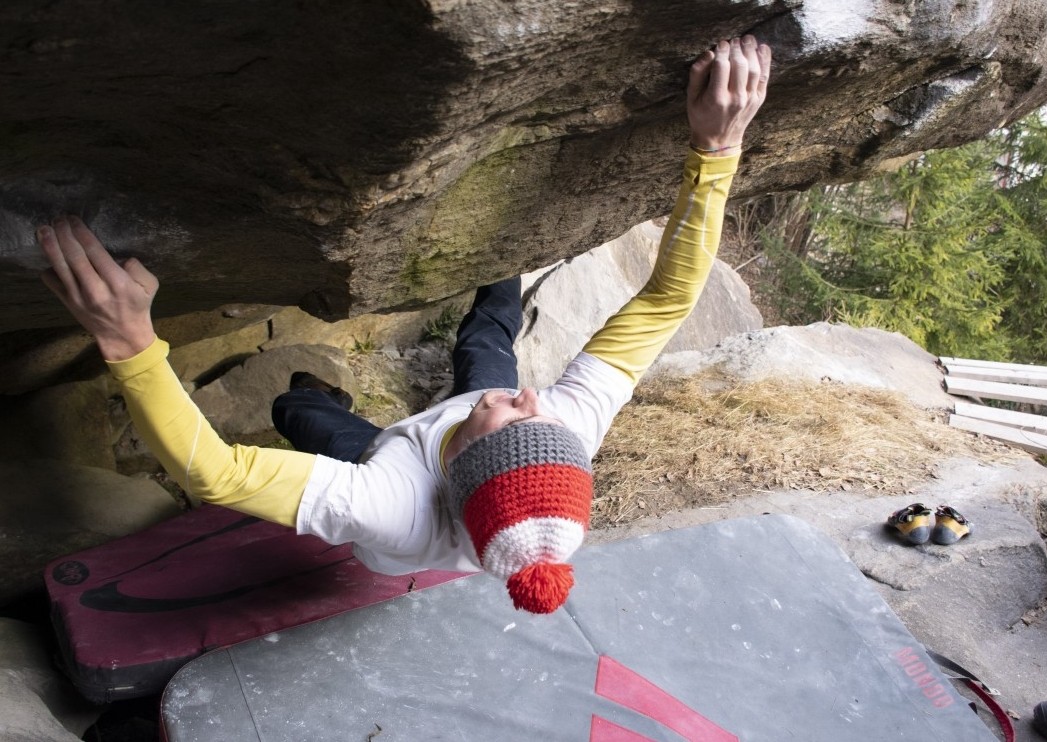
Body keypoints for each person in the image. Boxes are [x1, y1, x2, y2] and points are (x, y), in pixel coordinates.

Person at [35, 36, 771, 614]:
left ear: (468, 468)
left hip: (395, 458)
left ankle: (312, 396)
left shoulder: (388, 508)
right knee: (486, 342)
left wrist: (129, 341)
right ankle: (501, 263)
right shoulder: (561, 427)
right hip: (456, 448)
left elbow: (216, 473)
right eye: (541, 418)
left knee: (300, 409)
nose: (533, 400)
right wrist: (716, 149)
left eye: (517, 418)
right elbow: (663, 303)